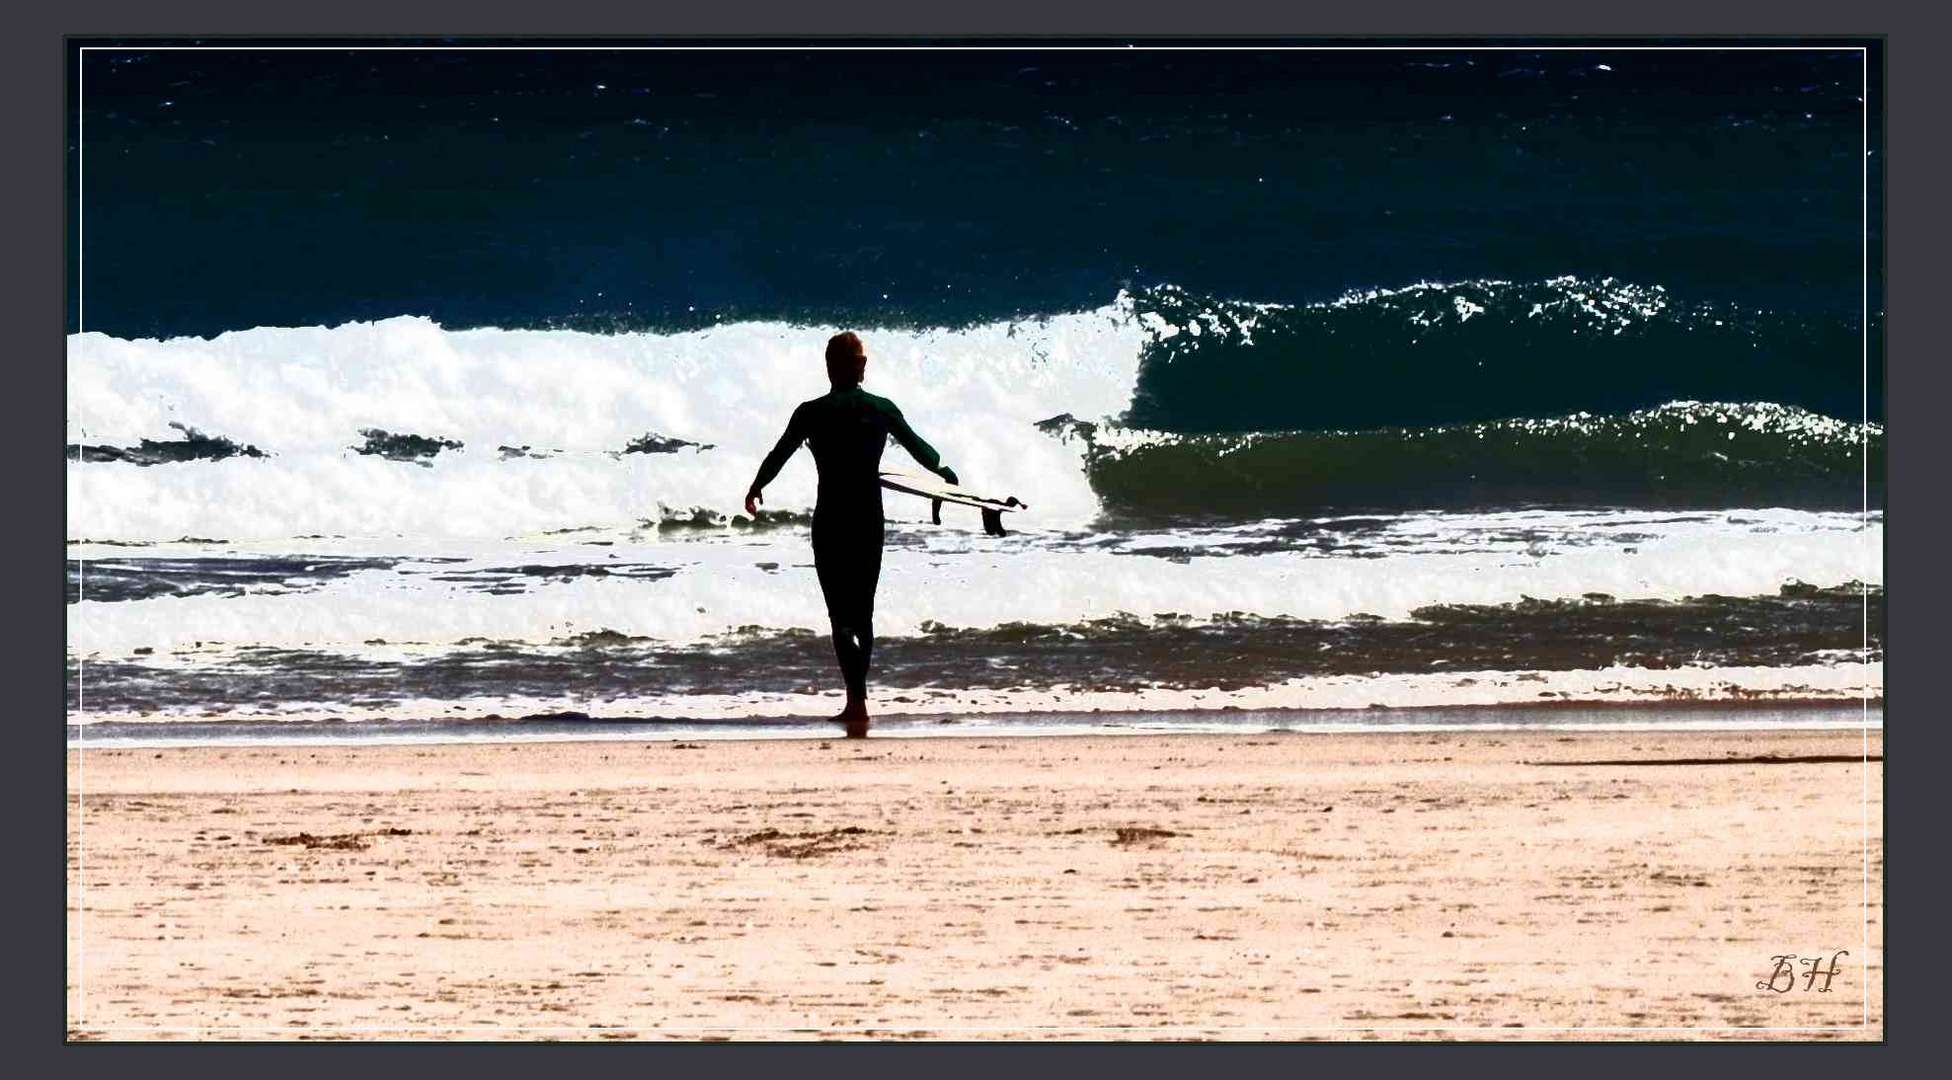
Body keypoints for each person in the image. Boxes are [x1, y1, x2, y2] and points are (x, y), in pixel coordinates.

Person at [745, 331, 958, 738]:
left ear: (829, 366)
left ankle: (856, 701)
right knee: (864, 614)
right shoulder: (880, 409)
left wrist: (757, 485)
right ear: (857, 366)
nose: (863, 365)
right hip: (867, 519)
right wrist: (946, 476)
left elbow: (780, 453)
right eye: (860, 359)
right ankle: (858, 699)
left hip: (831, 520)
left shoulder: (811, 413)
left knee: (840, 618)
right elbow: (920, 449)